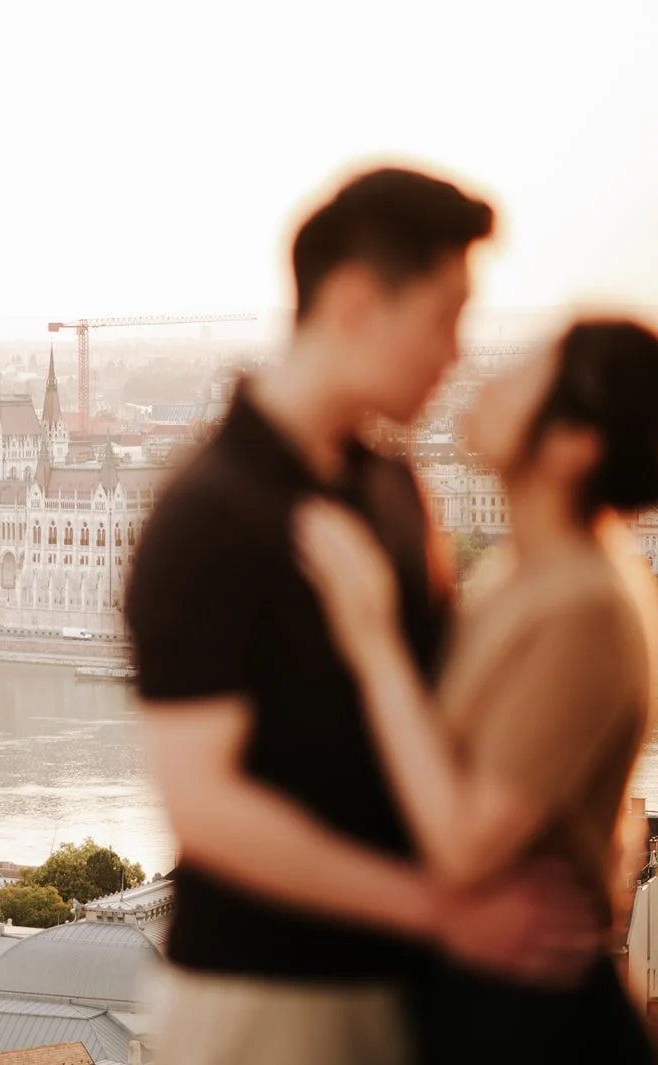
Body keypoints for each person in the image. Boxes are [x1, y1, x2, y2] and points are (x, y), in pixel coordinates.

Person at [124, 167, 601, 1065]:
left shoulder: (396, 489)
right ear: (353, 302)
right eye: (444, 318)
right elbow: (207, 807)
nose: (457, 354)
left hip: (409, 986)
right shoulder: (207, 514)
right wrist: (444, 911)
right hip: (268, 997)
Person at [295, 318, 658, 1064]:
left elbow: (465, 843)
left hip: (533, 1019)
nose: (484, 378)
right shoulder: (517, 578)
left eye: (523, 374)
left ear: (572, 445)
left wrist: (373, 644)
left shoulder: (584, 604)